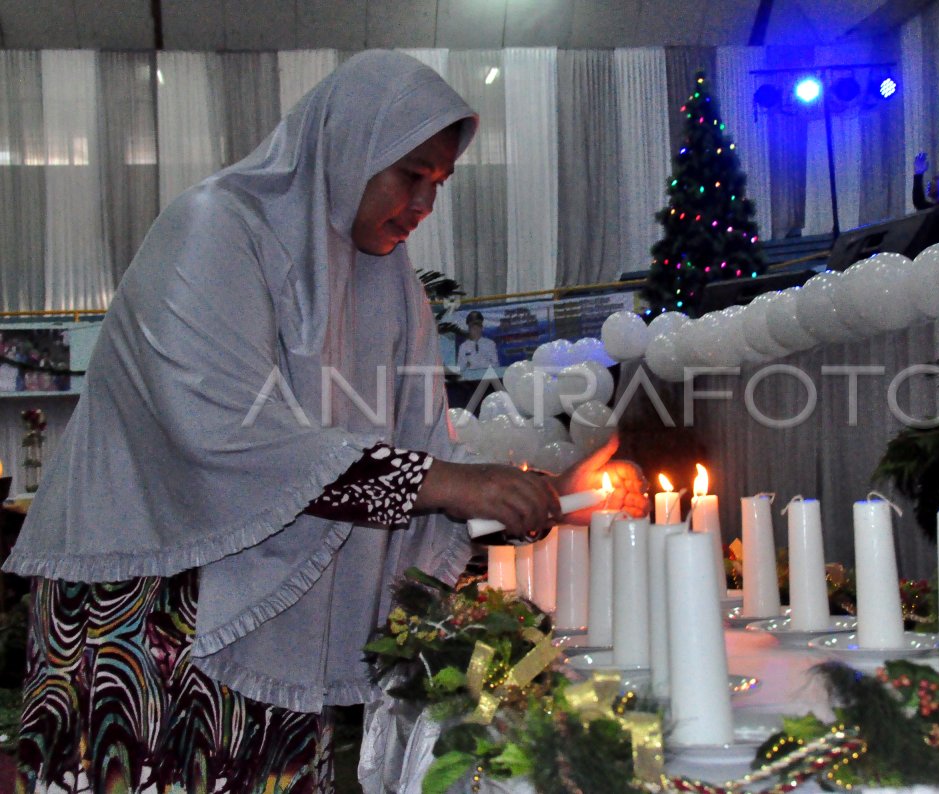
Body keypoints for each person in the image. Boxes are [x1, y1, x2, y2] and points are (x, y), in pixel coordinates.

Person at [4, 51, 645, 793]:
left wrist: (492, 505)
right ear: (351, 145)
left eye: (439, 184)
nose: (423, 206)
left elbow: (414, 447)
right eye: (411, 174)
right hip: (152, 601)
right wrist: (441, 484)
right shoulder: (215, 229)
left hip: (281, 609)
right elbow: (222, 433)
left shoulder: (388, 282)